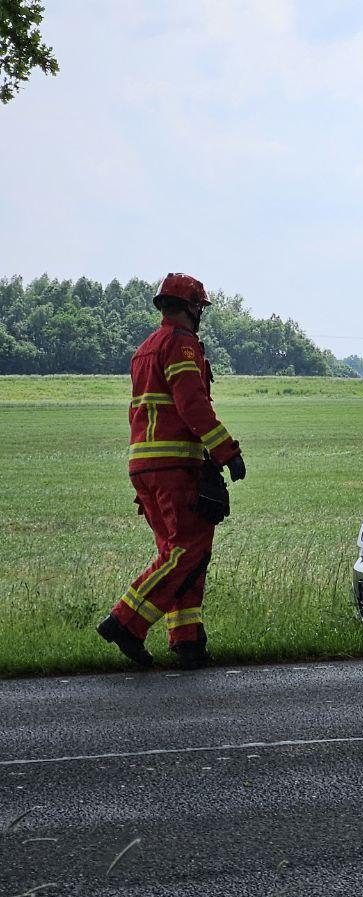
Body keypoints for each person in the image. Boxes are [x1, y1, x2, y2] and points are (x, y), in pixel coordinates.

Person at [96, 273, 246, 670]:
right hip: (175, 466)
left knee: (181, 554)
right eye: (200, 308)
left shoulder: (145, 348)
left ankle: (187, 642)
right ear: (193, 307)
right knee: (187, 551)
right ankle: (126, 622)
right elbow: (192, 404)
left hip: (145, 466)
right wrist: (226, 451)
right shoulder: (181, 345)